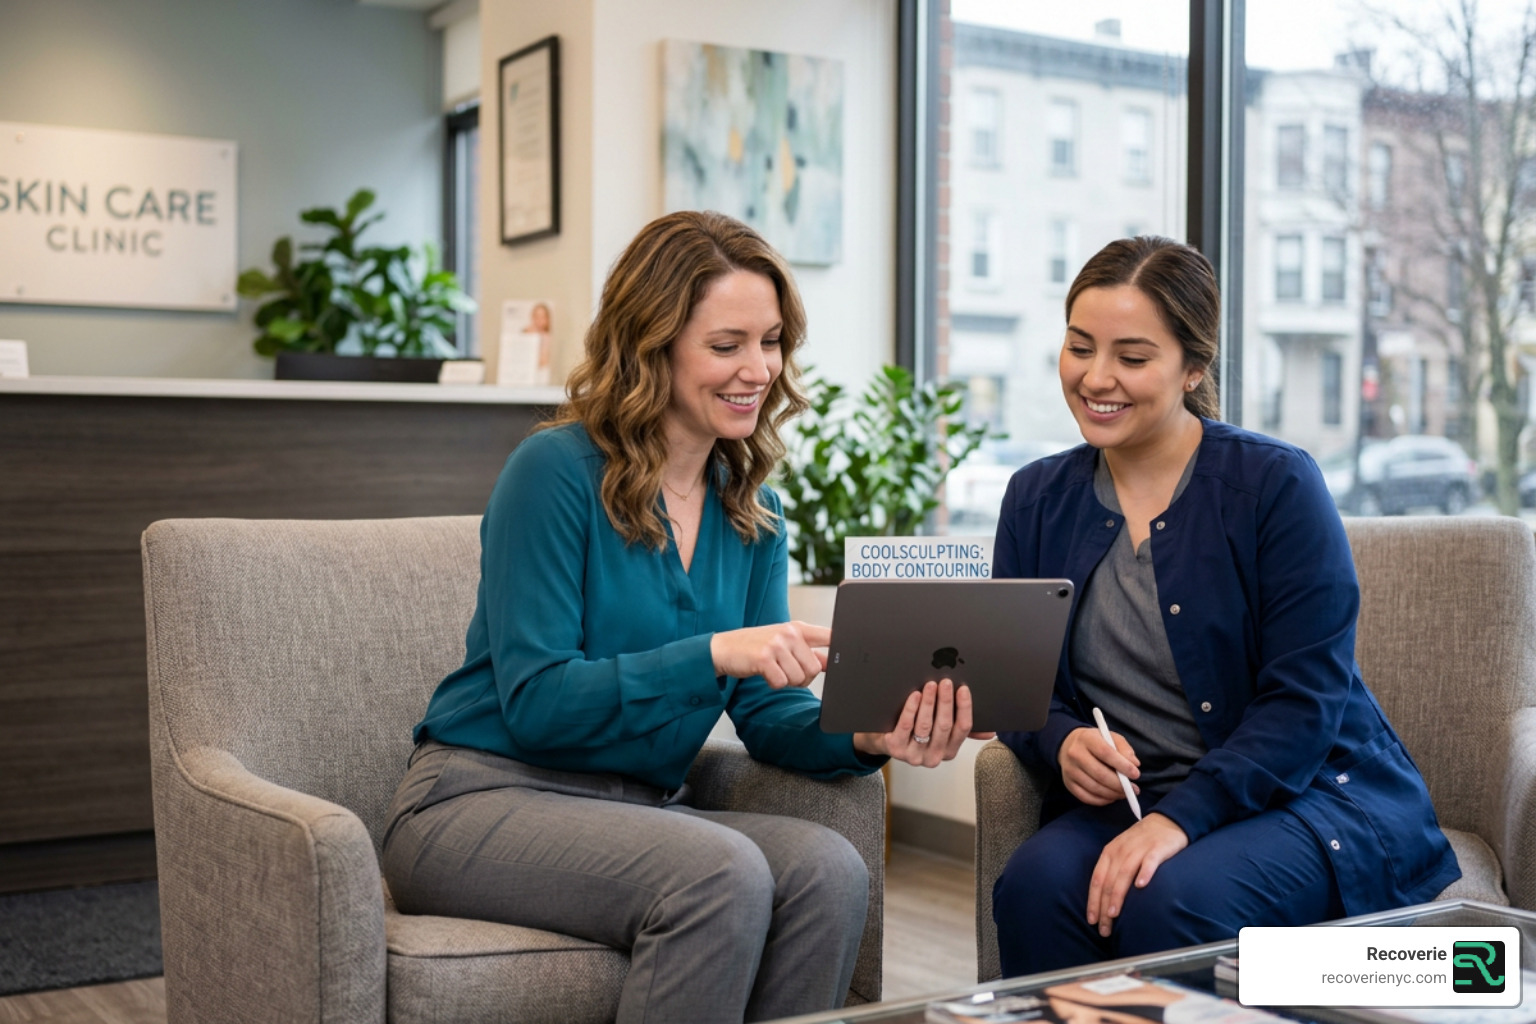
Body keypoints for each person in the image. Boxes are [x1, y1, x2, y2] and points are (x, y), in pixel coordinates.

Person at [382, 210, 984, 1024]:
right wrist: (716, 653)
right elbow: (537, 702)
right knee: (720, 873)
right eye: (726, 345)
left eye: (771, 341)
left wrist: (869, 736)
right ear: (651, 347)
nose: (758, 369)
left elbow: (768, 716)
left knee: (829, 870)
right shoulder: (553, 472)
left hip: (637, 811)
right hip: (476, 800)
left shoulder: (754, 509)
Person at [988, 236, 1459, 976]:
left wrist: (1180, 819)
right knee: (1034, 889)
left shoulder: (1276, 485)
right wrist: (1062, 740)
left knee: (1170, 902)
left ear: (1193, 368)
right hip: (1134, 800)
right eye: (1080, 347)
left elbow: (1305, 704)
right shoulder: (1035, 498)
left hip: (1300, 796)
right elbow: (1017, 685)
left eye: (1132, 357)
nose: (1096, 377)